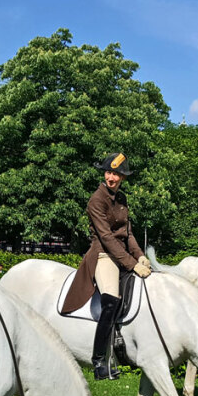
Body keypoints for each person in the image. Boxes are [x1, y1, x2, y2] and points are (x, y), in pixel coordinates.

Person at [60, 152, 151, 380]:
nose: (112, 177)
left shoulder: (122, 199)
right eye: (109, 172)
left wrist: (140, 256)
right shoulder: (96, 200)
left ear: (123, 178)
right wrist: (131, 264)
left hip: (122, 254)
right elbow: (107, 237)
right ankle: (100, 360)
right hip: (103, 254)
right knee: (111, 301)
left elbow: (127, 233)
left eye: (117, 174)